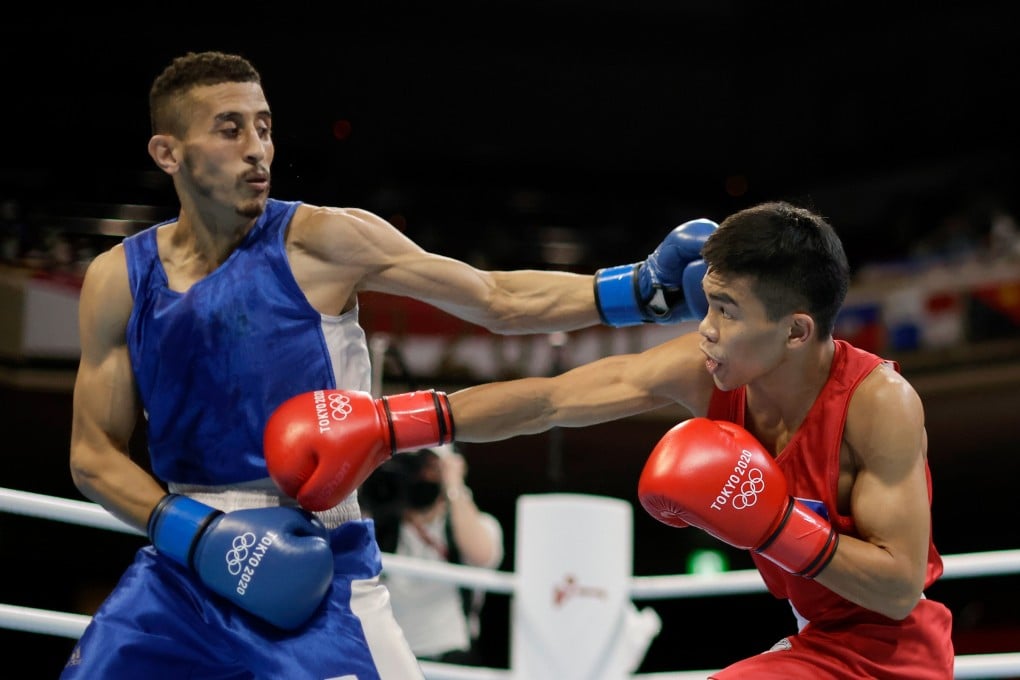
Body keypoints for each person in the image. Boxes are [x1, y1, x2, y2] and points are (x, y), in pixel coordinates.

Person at [63, 49, 717, 679]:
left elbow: (496, 299)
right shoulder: (119, 279)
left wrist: (636, 293)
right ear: (167, 152)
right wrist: (199, 535)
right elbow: (93, 454)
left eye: (264, 127)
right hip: (182, 566)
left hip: (317, 555)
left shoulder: (322, 240)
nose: (257, 148)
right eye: (230, 130)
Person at [270, 200, 955, 679]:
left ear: (797, 331)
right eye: (707, 300)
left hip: (897, 656)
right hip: (819, 644)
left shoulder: (879, 404)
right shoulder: (704, 368)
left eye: (726, 309)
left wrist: (775, 525)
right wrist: (394, 425)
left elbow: (897, 592)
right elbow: (551, 400)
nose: (705, 326)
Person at [359, 445, 503, 665]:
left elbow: (482, 555)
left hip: (452, 656)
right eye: (411, 467)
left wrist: (455, 485)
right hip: (390, 657)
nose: (420, 476)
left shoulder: (472, 524)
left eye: (429, 467)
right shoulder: (380, 523)